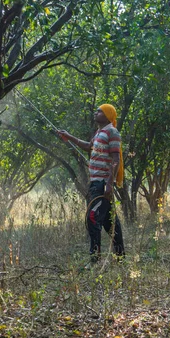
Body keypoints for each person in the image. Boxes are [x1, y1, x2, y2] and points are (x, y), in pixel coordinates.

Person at [58, 104, 125, 262]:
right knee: (110, 221)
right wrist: (68, 137)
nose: (96, 113)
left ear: (108, 115)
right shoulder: (99, 132)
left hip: (102, 183)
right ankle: (120, 257)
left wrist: (109, 184)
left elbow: (116, 159)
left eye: (99, 111)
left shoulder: (112, 132)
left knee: (93, 218)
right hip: (96, 183)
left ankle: (95, 259)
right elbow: (88, 146)